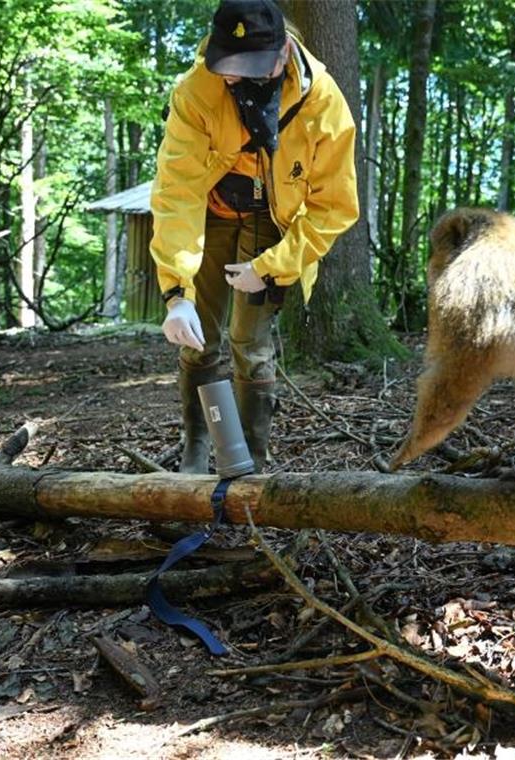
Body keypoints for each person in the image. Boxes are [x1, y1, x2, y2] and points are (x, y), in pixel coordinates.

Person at [150, 0, 359, 473]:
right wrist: (176, 290)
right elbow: (176, 190)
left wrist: (270, 267)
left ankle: (246, 463)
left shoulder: (323, 102)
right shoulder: (195, 91)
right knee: (197, 336)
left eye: (244, 70)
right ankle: (198, 451)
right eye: (226, 67)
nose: (231, 79)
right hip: (210, 214)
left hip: (271, 221)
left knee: (250, 342)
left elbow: (335, 205)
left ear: (282, 53)